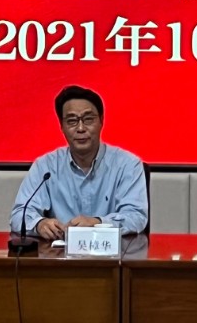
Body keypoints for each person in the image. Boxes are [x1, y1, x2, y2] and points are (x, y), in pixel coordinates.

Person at [9, 85, 148, 239]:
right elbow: (19, 214)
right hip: (58, 252)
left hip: (112, 252)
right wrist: (39, 224)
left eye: (88, 119)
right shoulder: (45, 167)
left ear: (101, 121)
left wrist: (98, 223)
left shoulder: (128, 165)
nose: (81, 128)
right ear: (61, 126)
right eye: (72, 121)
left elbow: (136, 217)